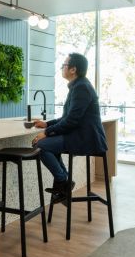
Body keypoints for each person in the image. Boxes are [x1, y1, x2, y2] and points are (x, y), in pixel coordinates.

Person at [32, 53, 107, 202]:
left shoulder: (81, 88)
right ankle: (64, 182)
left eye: (64, 65)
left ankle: (63, 181)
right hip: (78, 135)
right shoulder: (78, 86)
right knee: (41, 145)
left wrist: (46, 132)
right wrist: (47, 124)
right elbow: (68, 118)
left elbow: (72, 121)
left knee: (40, 145)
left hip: (85, 139)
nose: (62, 68)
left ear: (73, 69)